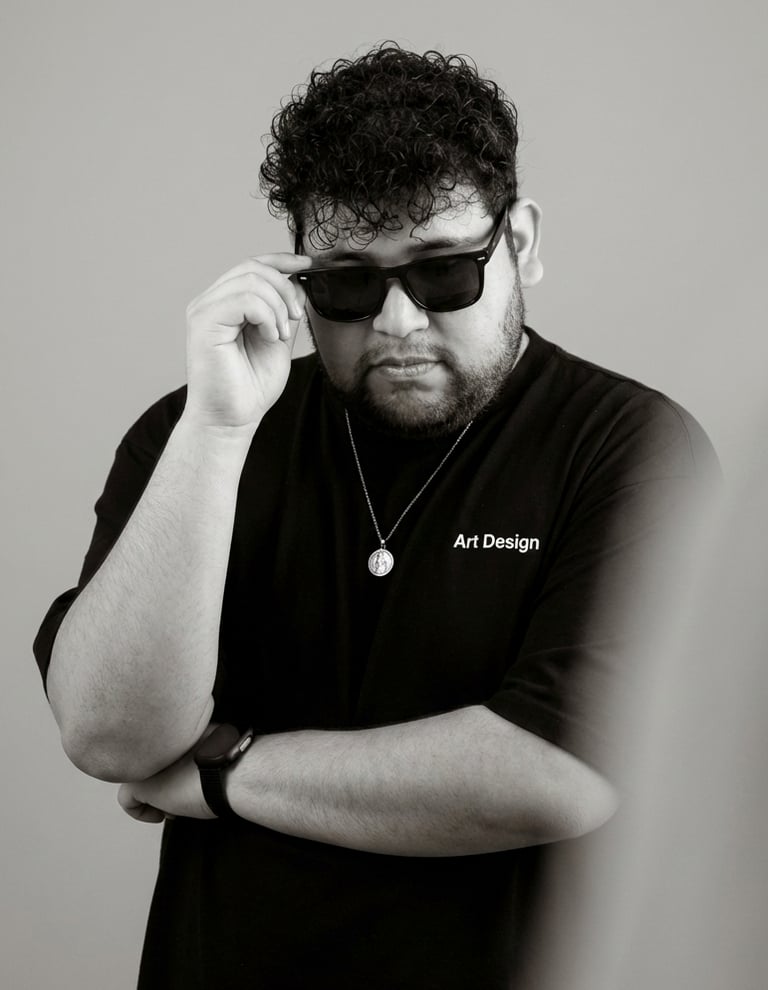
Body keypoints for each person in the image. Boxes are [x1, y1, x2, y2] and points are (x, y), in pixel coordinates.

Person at [33, 45, 719, 989]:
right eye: (349, 284)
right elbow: (109, 735)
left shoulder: (631, 447)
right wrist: (218, 430)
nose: (396, 323)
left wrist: (220, 775)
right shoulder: (199, 433)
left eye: (443, 273)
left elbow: (555, 773)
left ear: (520, 242)